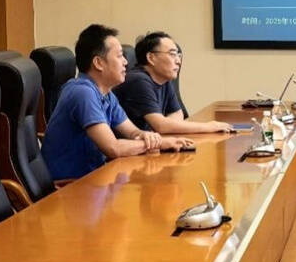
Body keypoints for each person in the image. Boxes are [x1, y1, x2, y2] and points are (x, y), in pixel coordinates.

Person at [41, 24, 193, 180]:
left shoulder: (106, 94)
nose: (126, 62)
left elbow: (132, 133)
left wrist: (148, 137)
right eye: (120, 56)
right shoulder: (82, 93)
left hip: (97, 176)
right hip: (70, 185)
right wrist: (159, 143)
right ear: (98, 63)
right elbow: (113, 148)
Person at [113, 31, 230, 133]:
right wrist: (209, 127)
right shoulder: (138, 81)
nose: (178, 61)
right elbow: (161, 126)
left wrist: (166, 125)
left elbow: (178, 113)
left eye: (178, 55)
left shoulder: (164, 79)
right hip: (127, 148)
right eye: (172, 54)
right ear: (151, 58)